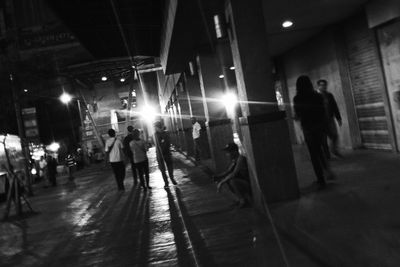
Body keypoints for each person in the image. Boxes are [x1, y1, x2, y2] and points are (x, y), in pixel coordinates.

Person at [293, 75, 333, 189]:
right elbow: (323, 111)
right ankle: (327, 170)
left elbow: (298, 115)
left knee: (314, 154)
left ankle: (321, 180)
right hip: (319, 127)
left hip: (308, 128)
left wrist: (297, 117)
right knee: (320, 150)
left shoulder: (298, 98)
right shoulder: (317, 96)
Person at [212, 142, 251, 208]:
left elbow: (233, 173)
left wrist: (221, 183)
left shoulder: (240, 159)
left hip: (248, 184)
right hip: (242, 182)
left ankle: (243, 201)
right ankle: (239, 199)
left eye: (228, 152)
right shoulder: (234, 160)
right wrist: (218, 177)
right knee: (228, 180)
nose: (227, 154)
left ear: (235, 151)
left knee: (232, 181)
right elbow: (228, 171)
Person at [317, 79, 343, 159]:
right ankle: (327, 155)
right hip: (320, 121)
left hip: (330, 119)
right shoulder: (315, 96)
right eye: (321, 85)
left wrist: (338, 118)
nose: (323, 87)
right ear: (318, 86)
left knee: (334, 135)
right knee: (323, 139)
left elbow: (334, 107)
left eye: (325, 85)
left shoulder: (329, 95)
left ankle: (334, 150)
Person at [154, 121, 177, 188]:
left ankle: (172, 178)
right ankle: (166, 182)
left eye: (156, 127)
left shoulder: (166, 133)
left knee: (170, 166)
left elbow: (168, 142)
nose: (156, 128)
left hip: (166, 153)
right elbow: (158, 144)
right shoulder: (155, 134)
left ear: (159, 127)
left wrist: (163, 142)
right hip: (160, 154)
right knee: (162, 169)